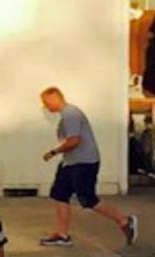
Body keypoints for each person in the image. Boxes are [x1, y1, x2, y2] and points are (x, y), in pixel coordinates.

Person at [39, 87, 138, 247]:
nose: (45, 106)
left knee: (88, 199)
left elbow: (74, 141)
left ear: (55, 98)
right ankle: (62, 235)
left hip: (84, 163)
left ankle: (124, 221)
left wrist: (53, 152)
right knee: (59, 194)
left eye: (46, 102)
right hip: (70, 163)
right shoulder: (67, 115)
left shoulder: (71, 114)